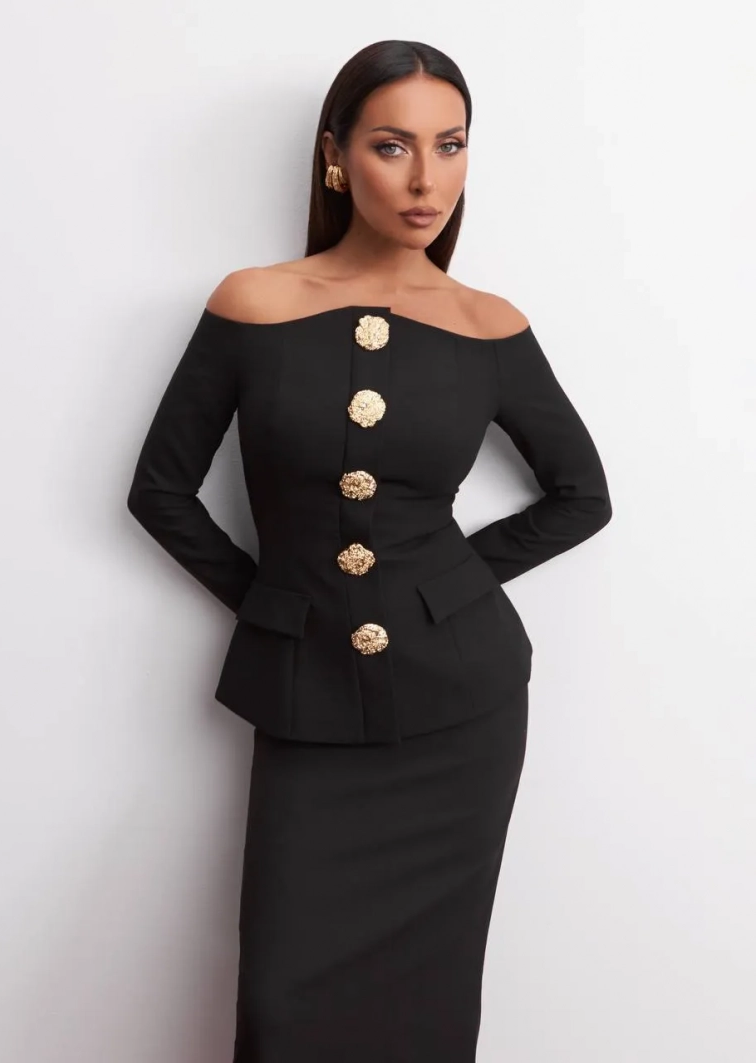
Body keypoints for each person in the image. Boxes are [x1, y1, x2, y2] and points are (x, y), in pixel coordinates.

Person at [126, 38, 612, 1063]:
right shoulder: (252, 303)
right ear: (336, 157)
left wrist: (444, 586)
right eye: (394, 146)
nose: (427, 177)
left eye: (451, 145)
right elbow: (158, 491)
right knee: (282, 1004)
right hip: (304, 697)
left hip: (463, 710)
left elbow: (582, 496)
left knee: (428, 1010)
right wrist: (276, 603)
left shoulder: (488, 326)